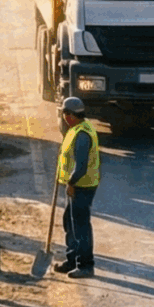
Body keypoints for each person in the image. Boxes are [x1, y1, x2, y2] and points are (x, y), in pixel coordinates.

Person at [53, 97, 101, 278]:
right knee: (70, 222)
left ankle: (85, 265)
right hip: (78, 184)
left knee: (80, 226)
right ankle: (72, 259)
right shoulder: (79, 128)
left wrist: (71, 183)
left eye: (65, 114)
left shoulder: (82, 135)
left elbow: (80, 167)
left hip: (82, 185)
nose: (64, 118)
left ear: (71, 115)